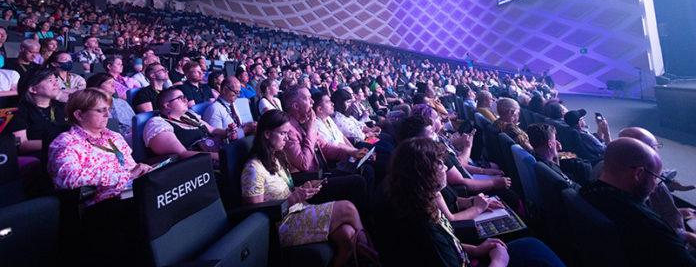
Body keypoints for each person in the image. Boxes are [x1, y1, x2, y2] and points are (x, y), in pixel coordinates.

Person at [378, 137, 565, 267]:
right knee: (536, 250)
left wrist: (476, 249)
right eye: (440, 165)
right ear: (424, 175)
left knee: (532, 245)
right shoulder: (425, 231)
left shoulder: (420, 202)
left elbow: (450, 242)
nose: (445, 168)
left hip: (470, 255)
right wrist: (499, 262)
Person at [241, 110, 376, 266]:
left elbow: (282, 192)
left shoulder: (276, 157)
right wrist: (293, 199)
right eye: (283, 133)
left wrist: (302, 189)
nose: (286, 138)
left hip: (297, 210)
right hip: (281, 225)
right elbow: (254, 213)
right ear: (267, 134)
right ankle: (372, 255)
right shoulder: (253, 168)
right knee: (347, 208)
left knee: (347, 234)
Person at [581, 138, 696, 266]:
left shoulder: (585, 192)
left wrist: (683, 235)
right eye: (656, 178)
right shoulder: (648, 223)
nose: (655, 186)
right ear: (639, 173)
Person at [47, 88, 150, 204]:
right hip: (101, 203)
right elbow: (69, 177)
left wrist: (142, 171)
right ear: (79, 115)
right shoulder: (65, 142)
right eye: (101, 110)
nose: (108, 115)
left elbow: (129, 166)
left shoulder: (114, 136)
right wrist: (124, 176)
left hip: (128, 193)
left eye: (108, 109)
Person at [144, 86, 234, 162]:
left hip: (214, 155)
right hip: (196, 168)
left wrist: (228, 132)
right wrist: (221, 157)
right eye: (180, 98)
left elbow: (212, 130)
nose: (186, 100)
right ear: (167, 105)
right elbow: (182, 154)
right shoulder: (157, 124)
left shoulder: (189, 115)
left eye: (185, 97)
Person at [6, 68, 66, 156]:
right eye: (50, 80)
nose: (56, 83)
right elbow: (21, 145)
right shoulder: (18, 111)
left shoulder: (63, 107)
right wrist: (57, 143)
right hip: (37, 157)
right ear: (33, 89)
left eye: (56, 80)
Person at [86, 73, 136, 139]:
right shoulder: (95, 106)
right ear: (97, 86)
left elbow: (135, 120)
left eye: (113, 82)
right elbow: (109, 128)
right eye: (109, 83)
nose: (113, 85)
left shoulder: (122, 102)